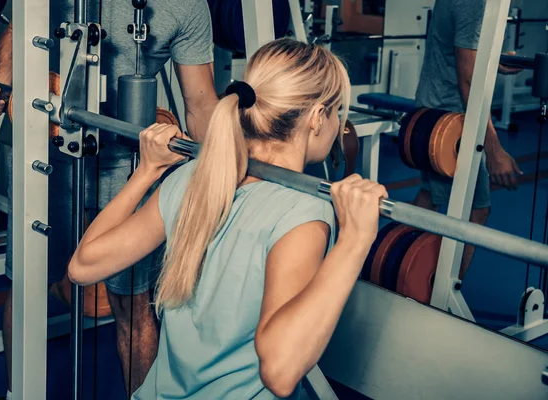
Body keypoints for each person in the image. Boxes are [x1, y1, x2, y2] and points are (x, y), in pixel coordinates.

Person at [68, 38, 388, 399]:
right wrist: (355, 241)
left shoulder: (190, 178)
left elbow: (83, 265)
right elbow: (281, 375)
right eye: (337, 112)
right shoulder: (302, 212)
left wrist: (146, 171)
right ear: (316, 118)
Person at [0, 1, 219, 398]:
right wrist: (1, 78)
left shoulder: (185, 5)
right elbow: (16, 29)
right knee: (29, 285)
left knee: (134, 303)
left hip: (131, 160)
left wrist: (221, 174)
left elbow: (200, 103)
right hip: (43, 150)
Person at [413, 0, 522, 279]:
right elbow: (469, 82)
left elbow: (458, 53)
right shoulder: (476, 3)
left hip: (432, 108)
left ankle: (399, 274)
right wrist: (494, 150)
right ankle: (441, 291)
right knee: (477, 209)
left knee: (429, 197)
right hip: (450, 122)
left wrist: (492, 63)